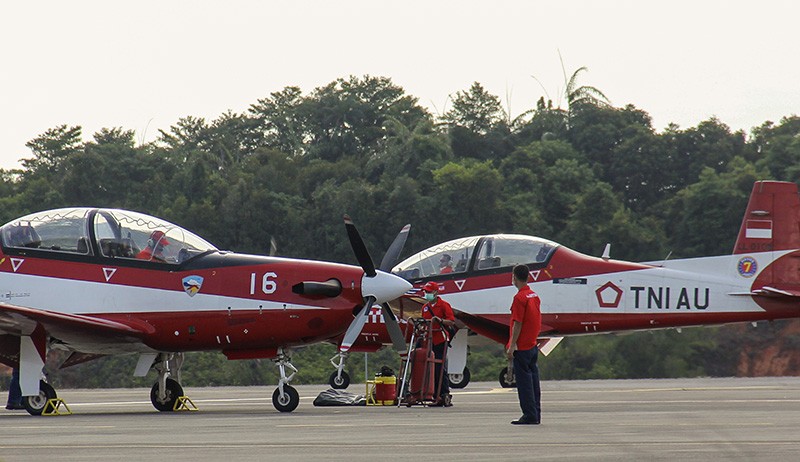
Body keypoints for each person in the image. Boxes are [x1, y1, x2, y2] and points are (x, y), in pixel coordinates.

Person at [506, 264, 542, 425]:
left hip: (522, 346)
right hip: (532, 345)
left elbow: (517, 323)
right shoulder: (533, 295)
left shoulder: (519, 298)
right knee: (534, 381)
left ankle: (529, 414)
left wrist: (512, 345)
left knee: (524, 383)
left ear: (514, 277)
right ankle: (536, 413)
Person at [420, 281, 456, 406]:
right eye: (426, 292)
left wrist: (440, 320)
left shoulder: (444, 305)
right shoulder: (425, 307)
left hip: (440, 339)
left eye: (429, 292)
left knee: (440, 368)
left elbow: (451, 321)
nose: (427, 294)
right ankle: (433, 394)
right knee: (430, 367)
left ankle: (444, 394)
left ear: (436, 292)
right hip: (429, 340)